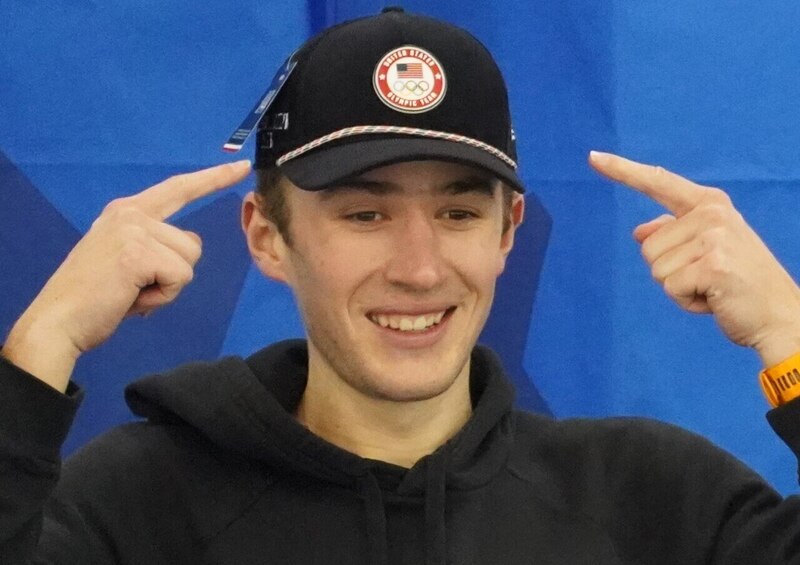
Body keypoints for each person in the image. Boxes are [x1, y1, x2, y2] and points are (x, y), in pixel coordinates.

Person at [2, 7, 800, 564]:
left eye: (457, 212)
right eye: (364, 215)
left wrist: (792, 339)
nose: (420, 268)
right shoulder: (137, 505)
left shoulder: (657, 500)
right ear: (265, 236)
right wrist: (40, 348)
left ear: (507, 233)